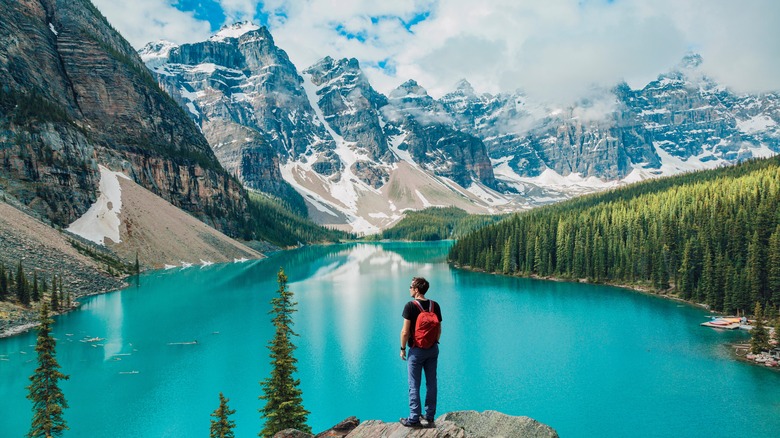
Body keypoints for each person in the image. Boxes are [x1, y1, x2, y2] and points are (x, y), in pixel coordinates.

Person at [399, 277, 442, 428]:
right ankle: (430, 416)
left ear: (416, 289)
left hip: (416, 351)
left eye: (411, 286)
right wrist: (433, 343)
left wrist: (403, 349)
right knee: (432, 383)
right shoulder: (434, 305)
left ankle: (414, 418)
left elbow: (405, 332)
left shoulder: (410, 306)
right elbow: (439, 330)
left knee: (414, 385)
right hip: (432, 350)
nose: (409, 289)